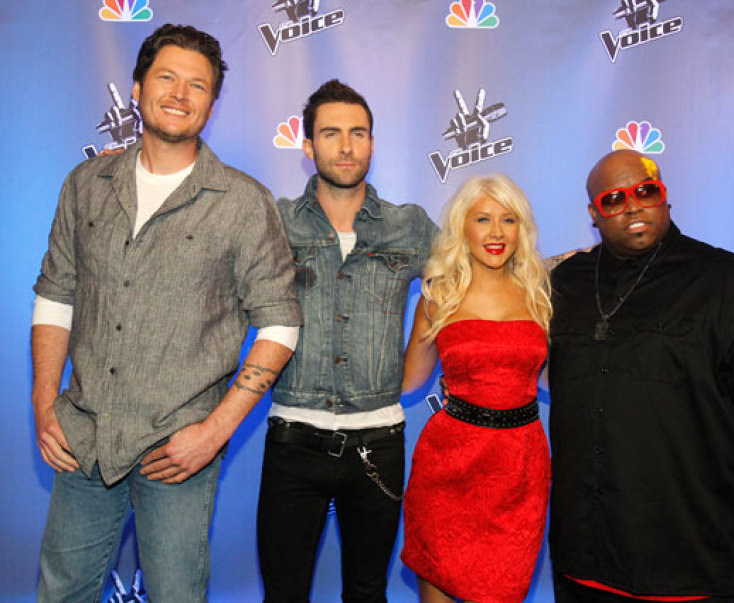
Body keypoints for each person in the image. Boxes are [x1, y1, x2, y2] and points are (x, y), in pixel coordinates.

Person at [31, 24, 301, 601]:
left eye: (197, 86)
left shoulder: (244, 202)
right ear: (136, 88)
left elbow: (280, 322)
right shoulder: (85, 186)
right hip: (84, 437)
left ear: (211, 103)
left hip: (179, 452)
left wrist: (215, 431)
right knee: (60, 593)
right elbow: (56, 294)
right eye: (167, 78)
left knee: (177, 594)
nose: (180, 94)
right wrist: (42, 402)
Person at [547, 149, 734, 602]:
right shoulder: (565, 281)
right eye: (613, 200)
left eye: (645, 191)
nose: (632, 205)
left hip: (689, 539)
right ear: (594, 215)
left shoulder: (727, 280)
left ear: (665, 198)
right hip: (585, 544)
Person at [257, 79, 439, 602]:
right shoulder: (275, 220)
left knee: (367, 590)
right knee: (283, 593)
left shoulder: (409, 225)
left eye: (358, 133)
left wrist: (414, 360)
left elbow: (468, 278)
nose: (346, 145)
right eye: (331, 133)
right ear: (308, 145)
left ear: (372, 144)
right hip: (294, 434)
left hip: (378, 443)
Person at [401, 174, 552, 603]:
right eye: (482, 219)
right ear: (462, 228)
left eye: (508, 220)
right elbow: (408, 380)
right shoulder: (438, 297)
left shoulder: (540, 297)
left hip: (520, 468)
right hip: (448, 467)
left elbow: (557, 380)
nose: (496, 232)